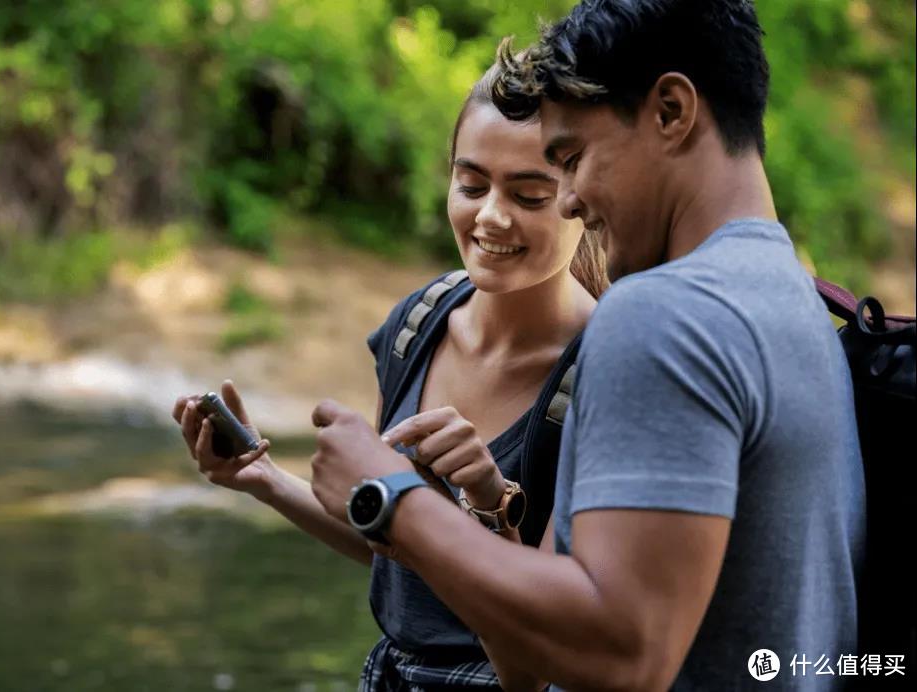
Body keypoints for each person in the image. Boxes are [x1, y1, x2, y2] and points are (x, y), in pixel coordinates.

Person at [307, 1, 866, 690]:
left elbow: (623, 653)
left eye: (572, 158)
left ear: (670, 111)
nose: (569, 200)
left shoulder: (665, 314)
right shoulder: (794, 297)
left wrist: (389, 496)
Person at [172, 64, 606, 690]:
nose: (491, 217)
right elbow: (393, 547)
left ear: (578, 199)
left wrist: (489, 508)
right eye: (471, 184)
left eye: (529, 195)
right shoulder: (417, 323)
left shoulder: (605, 371)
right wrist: (263, 479)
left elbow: (533, 664)